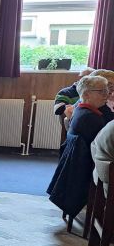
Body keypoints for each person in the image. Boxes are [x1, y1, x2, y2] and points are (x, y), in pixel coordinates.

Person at [48, 75, 112, 220]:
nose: (107, 95)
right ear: (86, 94)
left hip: (82, 169)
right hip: (89, 172)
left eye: (107, 91)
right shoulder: (91, 118)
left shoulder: (80, 110)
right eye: (102, 91)